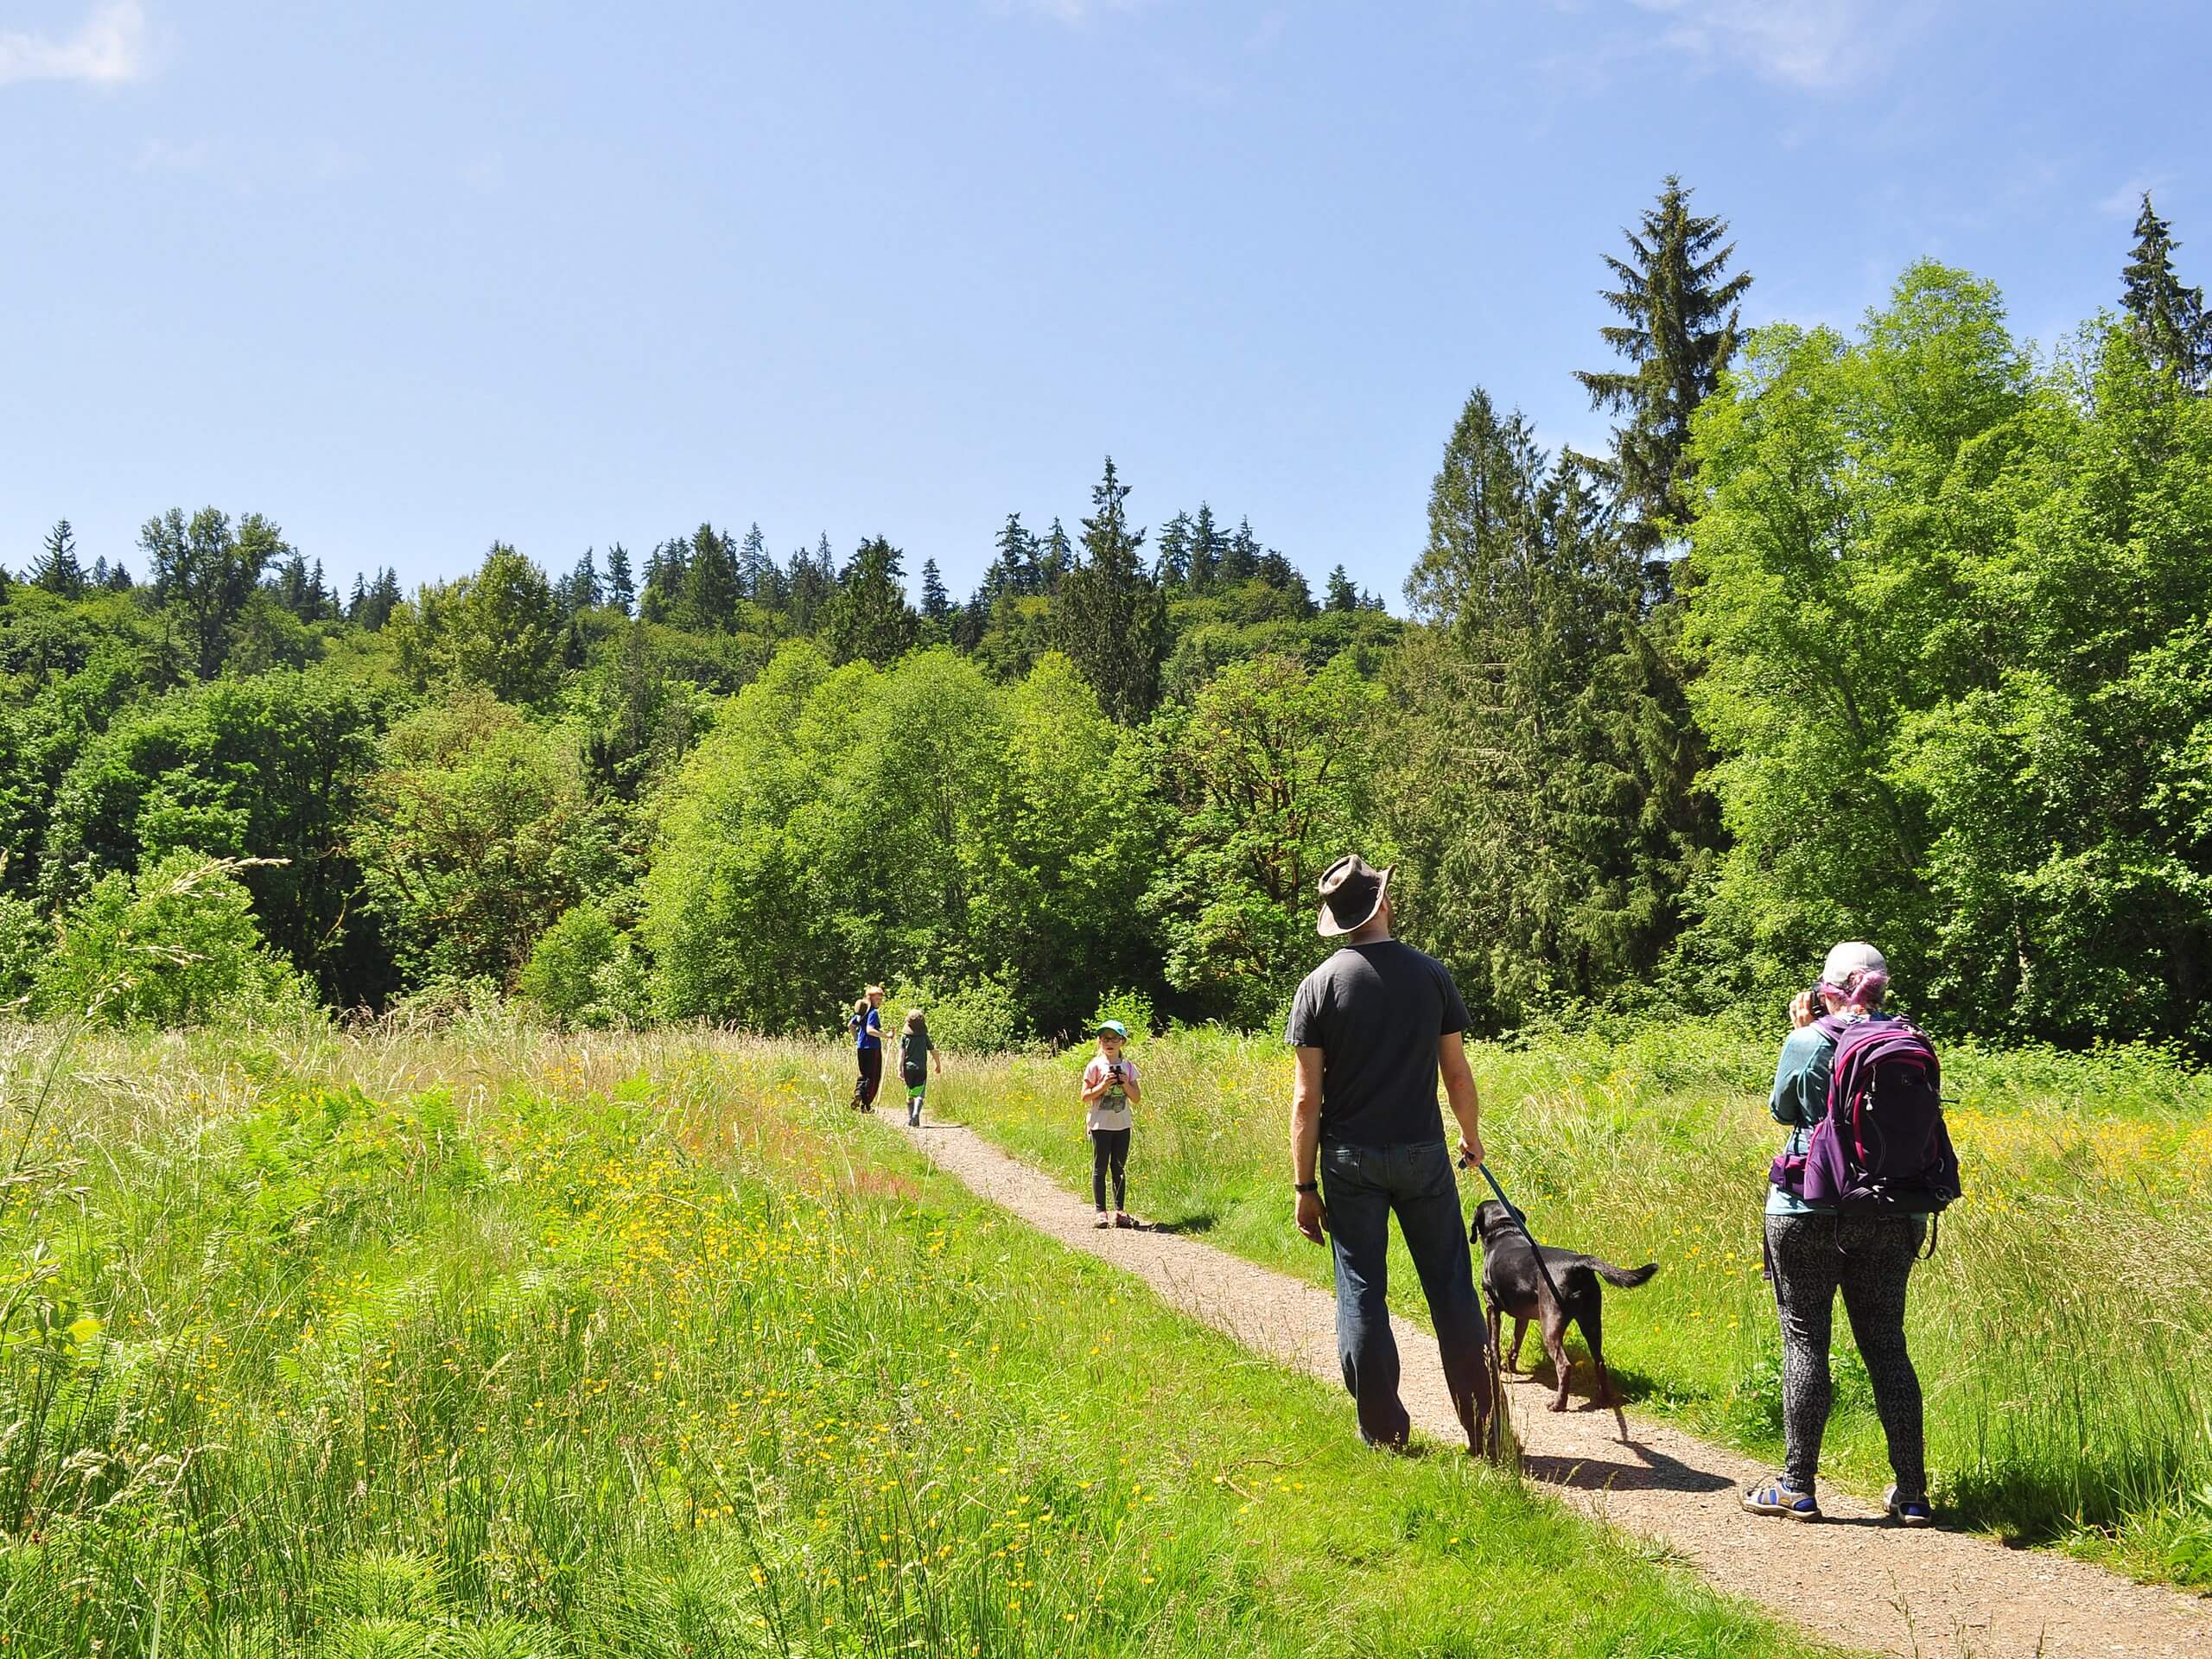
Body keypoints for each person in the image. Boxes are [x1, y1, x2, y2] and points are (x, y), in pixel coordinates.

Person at [1286, 855, 1494, 1454]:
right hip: (1424, 1155)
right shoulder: (1431, 974)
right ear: (1382, 904)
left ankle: (1385, 1434)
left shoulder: (1318, 986)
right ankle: (1486, 1432)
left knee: (1361, 1289)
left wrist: (1304, 1188)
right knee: (1452, 1289)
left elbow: (1307, 1098)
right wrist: (1471, 1136)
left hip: (1349, 1160)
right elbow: (1456, 1074)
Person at [1744, 940, 1933, 1527]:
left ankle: (1797, 1486)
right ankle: (1912, 1494)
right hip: (1892, 1207)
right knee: (1887, 1346)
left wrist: (1805, 1031)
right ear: (1882, 986)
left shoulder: (1808, 1039)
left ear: (1826, 986)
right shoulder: (1911, 1042)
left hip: (1807, 1206)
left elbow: (1783, 1109)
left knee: (1805, 1341)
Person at [1079, 1019, 1141, 1230]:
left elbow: (1136, 1097)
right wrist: (1103, 1084)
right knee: (1100, 1167)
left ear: (1122, 1042)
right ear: (1099, 1041)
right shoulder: (1094, 1066)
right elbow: (1085, 1097)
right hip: (1100, 1125)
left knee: (1119, 1168)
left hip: (1122, 1124)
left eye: (1114, 1038)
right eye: (1105, 1038)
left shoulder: (1128, 1067)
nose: (1110, 1042)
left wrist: (1124, 1083)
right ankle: (1100, 1212)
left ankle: (1120, 1212)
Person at [899, 1006, 942, 1128]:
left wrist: (899, 1070)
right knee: (920, 1094)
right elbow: (934, 1051)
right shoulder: (924, 1037)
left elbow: (901, 1056)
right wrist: (937, 1065)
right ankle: (916, 1115)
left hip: (908, 1069)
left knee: (910, 1094)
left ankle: (910, 1117)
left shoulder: (905, 1037)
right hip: (921, 1069)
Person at [848, 985, 886, 1112]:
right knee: (873, 1077)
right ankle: (866, 1105)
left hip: (861, 1048)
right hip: (873, 1048)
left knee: (864, 1075)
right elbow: (870, 1030)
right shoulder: (873, 1012)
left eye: (881, 999)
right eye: (877, 999)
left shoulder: (862, 1012)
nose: (879, 1001)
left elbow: (851, 1025)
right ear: (871, 998)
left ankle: (858, 1092)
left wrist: (856, 1039)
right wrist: (886, 1036)